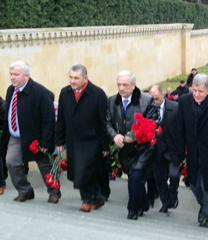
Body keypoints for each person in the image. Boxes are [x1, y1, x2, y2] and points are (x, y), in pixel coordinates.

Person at [0, 61, 59, 203]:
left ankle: (54, 192)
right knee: (11, 161)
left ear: (26, 76)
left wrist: (45, 141)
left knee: (45, 166)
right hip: (16, 136)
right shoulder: (10, 90)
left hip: (36, 138)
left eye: (16, 74)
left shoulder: (40, 92)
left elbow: (48, 119)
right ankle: (25, 191)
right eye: (11, 74)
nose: (12, 77)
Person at [176, 73, 208, 228]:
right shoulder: (184, 101)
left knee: (207, 185)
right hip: (192, 152)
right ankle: (204, 206)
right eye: (194, 91)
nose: (197, 94)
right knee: (193, 185)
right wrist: (180, 153)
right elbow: (180, 128)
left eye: (201, 91)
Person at [55, 64, 108, 212]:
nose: (72, 81)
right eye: (71, 77)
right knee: (81, 172)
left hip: (92, 141)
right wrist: (59, 141)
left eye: (76, 78)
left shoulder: (98, 94)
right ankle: (97, 198)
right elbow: (61, 119)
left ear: (85, 78)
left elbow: (103, 122)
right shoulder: (65, 93)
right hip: (73, 140)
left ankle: (87, 200)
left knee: (83, 171)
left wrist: (104, 146)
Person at [105, 70, 155, 219]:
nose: (121, 88)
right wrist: (115, 136)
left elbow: (152, 122)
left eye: (125, 85)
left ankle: (132, 209)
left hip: (143, 148)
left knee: (136, 175)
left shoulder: (147, 100)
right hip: (125, 150)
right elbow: (107, 122)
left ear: (133, 86)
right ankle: (144, 202)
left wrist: (132, 136)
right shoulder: (112, 100)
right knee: (134, 177)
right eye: (119, 84)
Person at [148, 85, 180, 214]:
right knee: (159, 179)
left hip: (172, 150)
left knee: (174, 175)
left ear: (162, 94)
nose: (154, 101)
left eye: (156, 98)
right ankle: (165, 202)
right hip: (156, 151)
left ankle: (173, 194)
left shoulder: (175, 107)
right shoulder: (149, 109)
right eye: (152, 99)